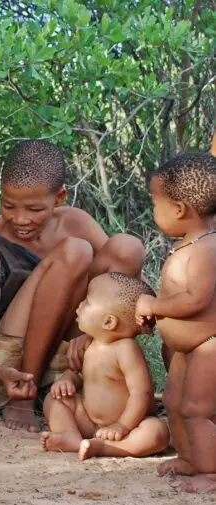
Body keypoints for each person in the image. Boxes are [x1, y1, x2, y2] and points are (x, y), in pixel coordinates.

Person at [0, 140, 145, 432]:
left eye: (35, 209)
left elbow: (122, 285)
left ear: (60, 197)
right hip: (7, 361)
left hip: (64, 352)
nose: (20, 219)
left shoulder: (75, 221)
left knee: (127, 248)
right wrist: (0, 372)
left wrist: (93, 335)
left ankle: (90, 370)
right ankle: (25, 395)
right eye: (8, 206)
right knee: (75, 252)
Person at [136, 152, 216, 493]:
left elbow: (195, 299)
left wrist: (155, 303)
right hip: (186, 349)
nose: (154, 214)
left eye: (156, 205)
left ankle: (211, 472)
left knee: (196, 409)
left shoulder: (206, 249)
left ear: (180, 209)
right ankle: (189, 457)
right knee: (173, 403)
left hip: (208, 347)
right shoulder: (188, 244)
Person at [40, 272, 168, 461]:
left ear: (109, 322)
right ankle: (70, 436)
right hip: (89, 421)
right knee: (54, 400)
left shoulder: (126, 350)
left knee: (156, 432)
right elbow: (81, 375)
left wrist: (122, 425)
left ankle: (108, 448)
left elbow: (142, 393)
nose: (80, 305)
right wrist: (68, 379)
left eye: (87, 301)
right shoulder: (89, 343)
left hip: (128, 427)